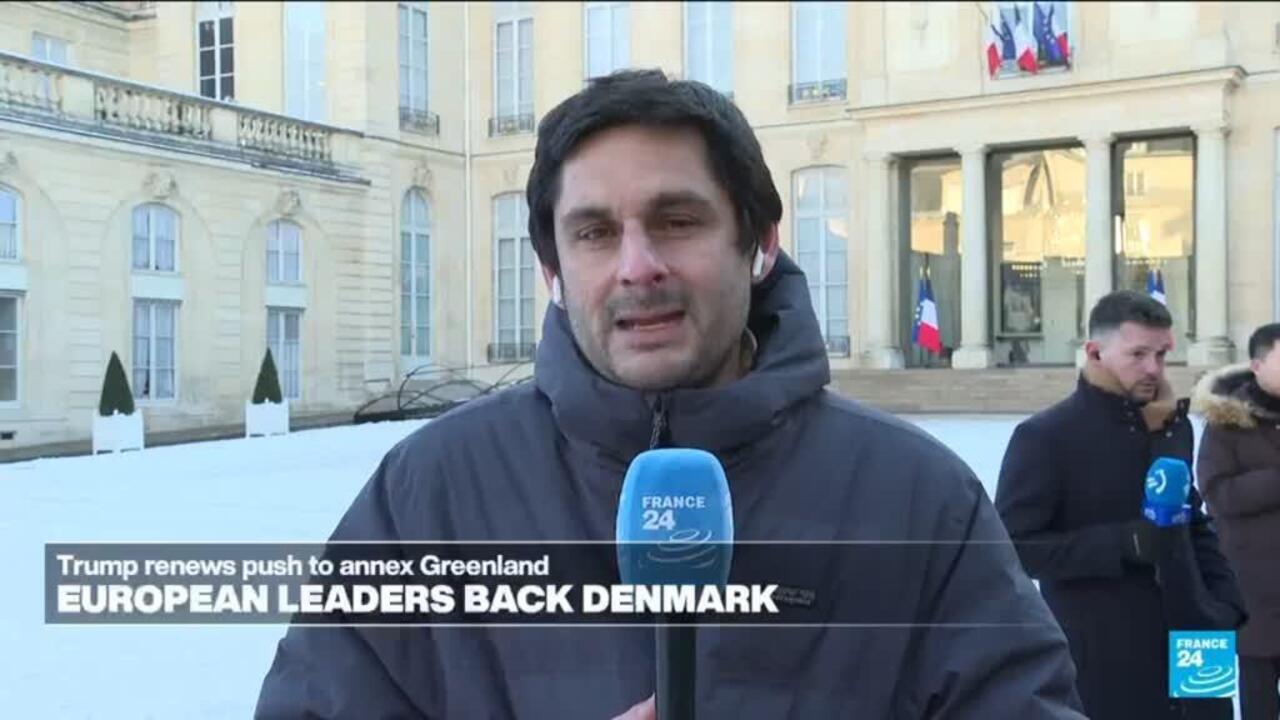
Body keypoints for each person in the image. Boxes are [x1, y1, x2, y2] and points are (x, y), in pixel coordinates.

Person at [255, 69, 1085, 719]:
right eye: (594, 233)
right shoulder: (426, 497)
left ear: (759, 243)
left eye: (677, 221)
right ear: (551, 270)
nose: (637, 266)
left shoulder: (918, 499)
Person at [996, 290, 1246, 720]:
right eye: (1138, 354)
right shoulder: (1046, 436)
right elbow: (1015, 547)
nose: (1154, 368)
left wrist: (1225, 599)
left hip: (1198, 637)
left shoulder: (1173, 426)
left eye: (1161, 354)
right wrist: (1122, 544)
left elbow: (1193, 518)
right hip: (1107, 651)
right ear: (1095, 352)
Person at [1191, 323, 1280, 720]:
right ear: (1257, 366)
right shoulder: (1227, 423)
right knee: (1259, 703)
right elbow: (1218, 494)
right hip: (1255, 592)